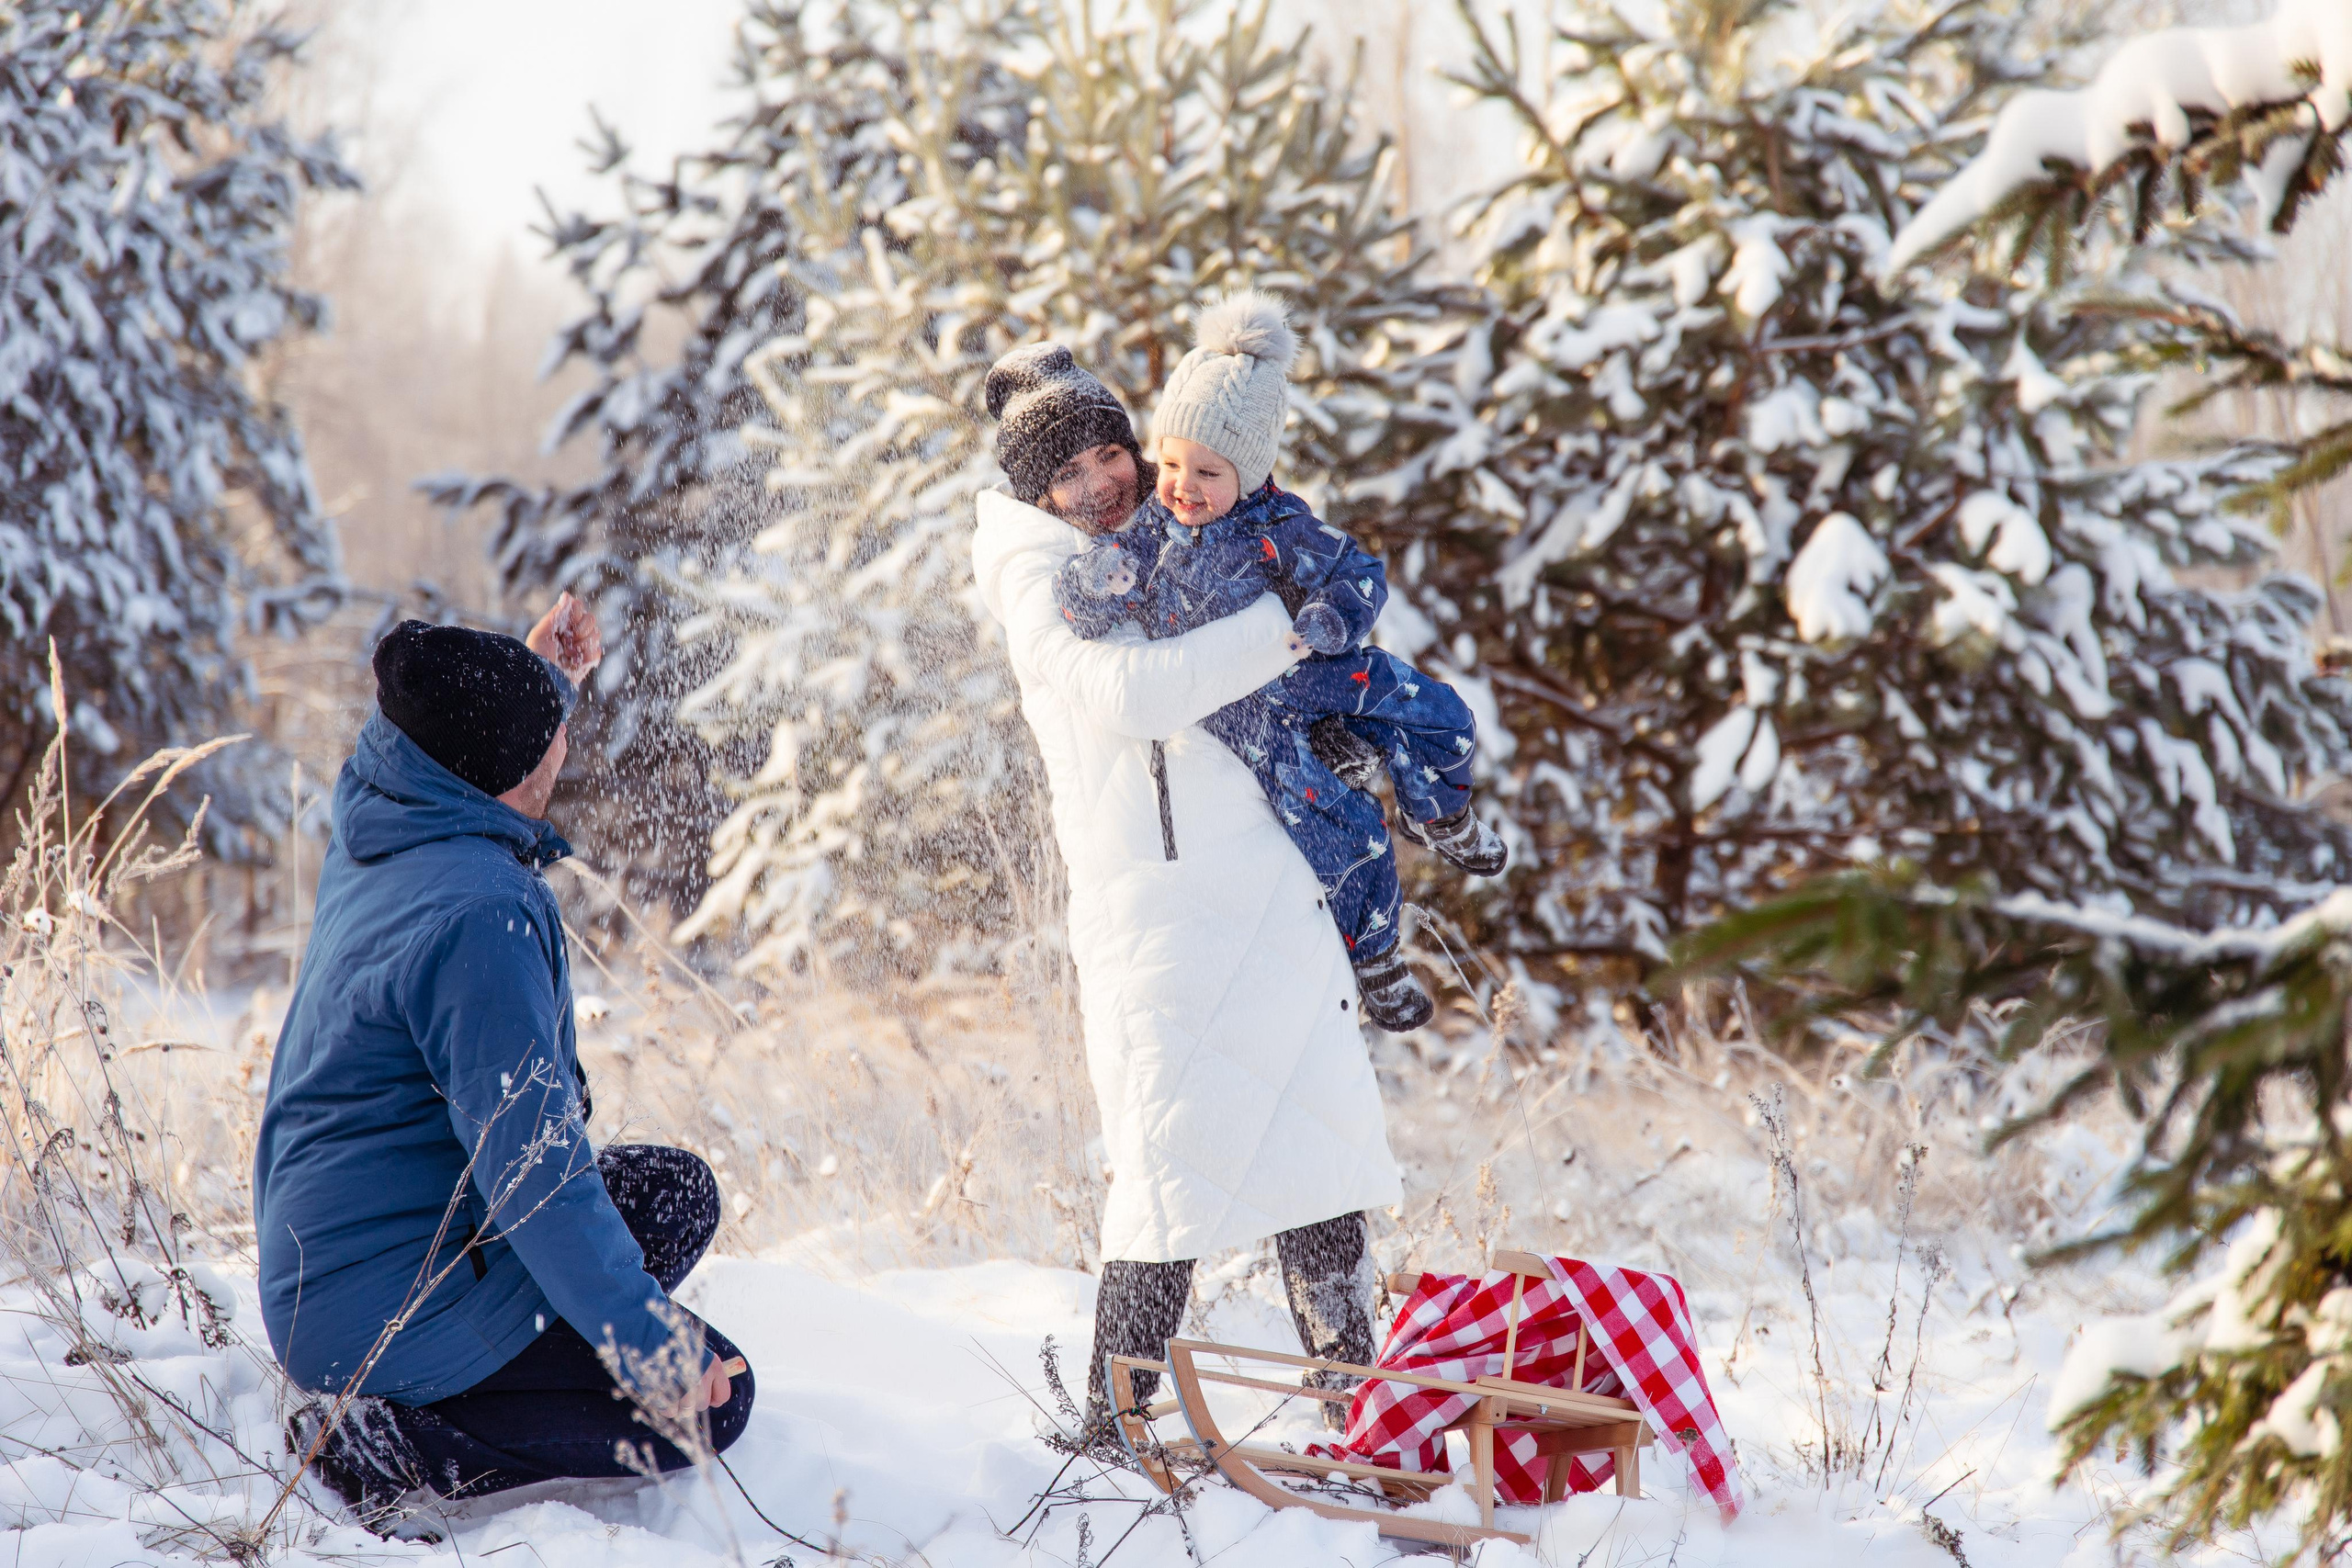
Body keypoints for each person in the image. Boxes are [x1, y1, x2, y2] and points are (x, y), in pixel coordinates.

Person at [253, 598, 753, 1534]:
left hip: (340, 1260)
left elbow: (465, 742)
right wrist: (650, 1349)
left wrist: (534, 685)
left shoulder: (389, 810)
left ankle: (489, 1368)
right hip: (382, 1318)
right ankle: (379, 1444)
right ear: (510, 775)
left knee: (674, 1195)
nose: (564, 740)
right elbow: (536, 1178)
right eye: (549, 734)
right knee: (717, 1402)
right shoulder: (479, 917)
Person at [974, 340, 1402, 1432]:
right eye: (1066, 473)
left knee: (1317, 1147)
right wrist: (1287, 629)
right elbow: (1136, 697)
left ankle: (1355, 1410)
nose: (1098, 484)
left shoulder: (1183, 526)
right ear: (1034, 492)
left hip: (1266, 879)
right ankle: (1112, 1425)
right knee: (1164, 1173)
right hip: (1153, 909)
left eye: (1108, 454)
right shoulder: (1031, 569)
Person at [1049, 291, 1505, 1031]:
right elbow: (1079, 602)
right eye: (1172, 463)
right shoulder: (1149, 532)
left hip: (1311, 669)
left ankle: (1441, 812)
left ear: (1252, 470)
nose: (1183, 487)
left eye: (1209, 472)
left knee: (1436, 709)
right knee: (1348, 827)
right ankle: (1377, 960)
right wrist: (1094, 585)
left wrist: (1334, 617)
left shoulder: (1284, 526)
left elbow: (1361, 574)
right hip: (1247, 714)